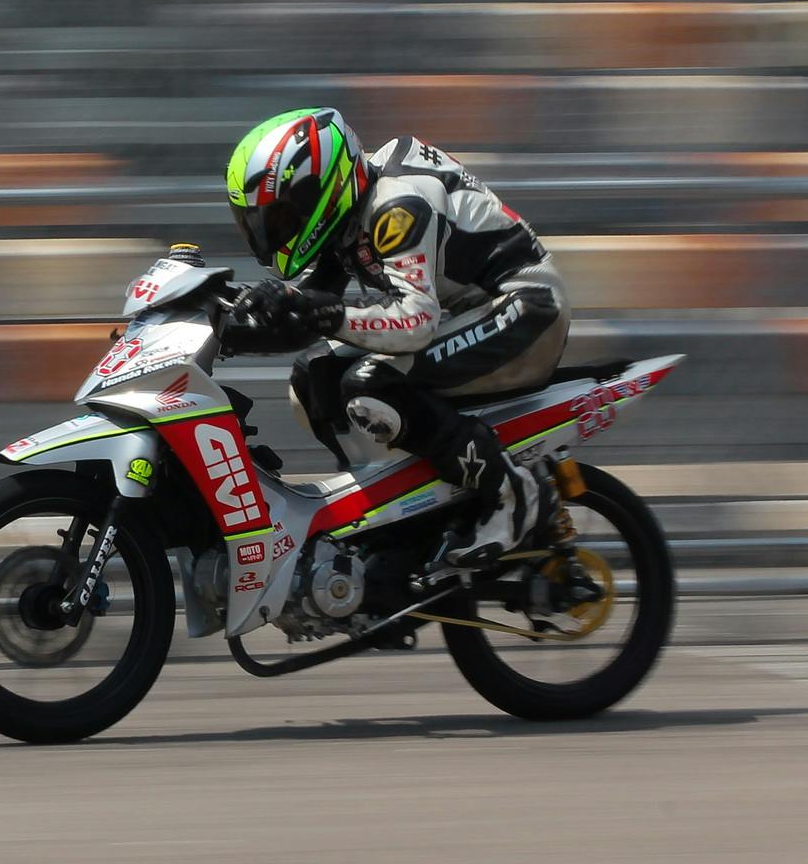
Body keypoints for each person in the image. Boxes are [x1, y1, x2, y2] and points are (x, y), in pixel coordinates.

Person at [222, 107, 567, 576]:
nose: (273, 235)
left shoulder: (396, 206)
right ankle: (386, 508)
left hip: (526, 309)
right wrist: (233, 316)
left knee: (372, 382)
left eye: (281, 217)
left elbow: (415, 323)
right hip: (471, 312)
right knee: (313, 375)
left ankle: (514, 493)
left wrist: (324, 313)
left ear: (320, 190)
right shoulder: (353, 204)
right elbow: (308, 309)